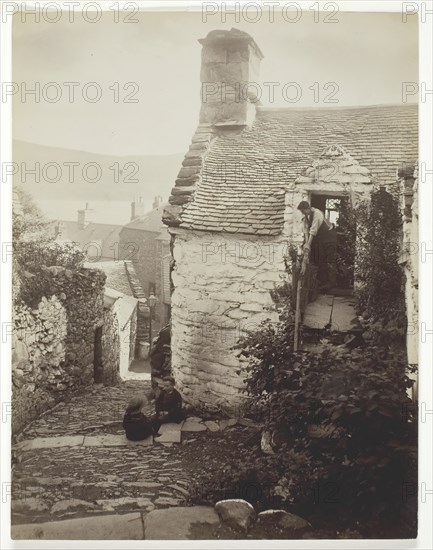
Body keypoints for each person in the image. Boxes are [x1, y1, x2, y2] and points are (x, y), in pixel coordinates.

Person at [297, 200, 337, 290]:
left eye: (303, 211)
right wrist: (307, 244)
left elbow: (313, 230)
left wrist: (308, 245)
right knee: (321, 259)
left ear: (307, 208)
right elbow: (306, 231)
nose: (303, 213)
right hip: (322, 238)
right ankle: (323, 282)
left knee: (330, 260)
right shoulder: (307, 217)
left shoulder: (317, 213)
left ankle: (331, 283)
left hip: (330, 237)